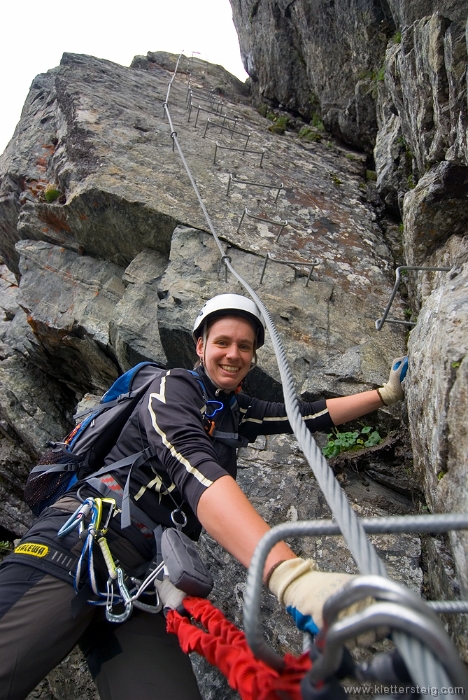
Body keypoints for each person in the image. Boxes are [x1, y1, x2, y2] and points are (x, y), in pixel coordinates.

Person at [0, 293, 407, 700]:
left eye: (244, 346)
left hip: (143, 580)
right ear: (200, 346)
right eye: (222, 343)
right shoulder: (170, 388)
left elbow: (307, 414)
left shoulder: (236, 411)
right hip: (75, 545)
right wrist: (289, 576)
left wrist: (384, 395)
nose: (233, 354)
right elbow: (191, 464)